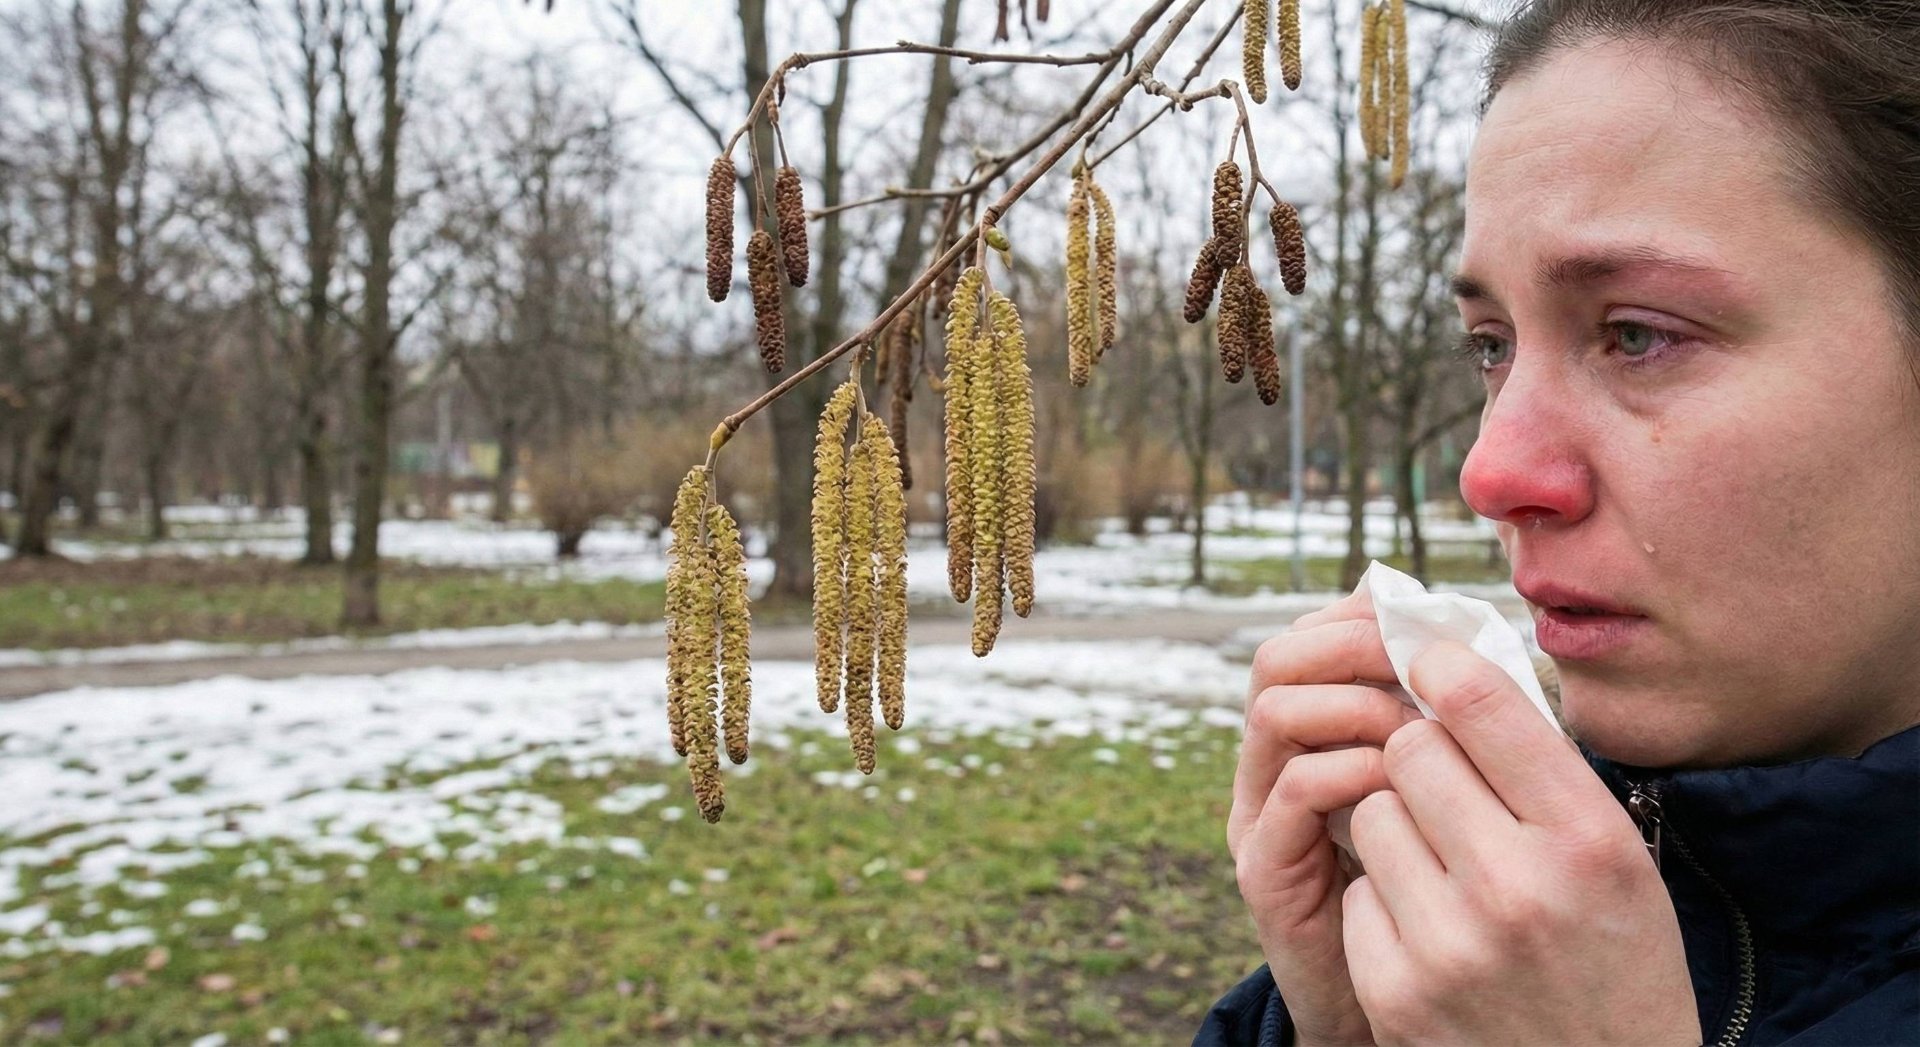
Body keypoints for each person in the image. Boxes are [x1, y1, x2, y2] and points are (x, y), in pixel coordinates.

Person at [1196, 1, 1920, 1043]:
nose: (1490, 472)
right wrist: (1340, 1031)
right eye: (1491, 346)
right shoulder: (1499, 932)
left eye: (1638, 334)